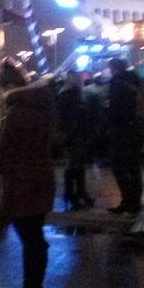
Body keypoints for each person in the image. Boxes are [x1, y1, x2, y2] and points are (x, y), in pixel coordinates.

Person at [0, 60, 55, 288]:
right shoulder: (40, 107)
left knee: (31, 240)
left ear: (8, 86)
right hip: (39, 177)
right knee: (34, 237)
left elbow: (4, 147)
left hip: (22, 182)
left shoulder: (18, 112)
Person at [106, 58, 144, 215]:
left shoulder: (117, 82)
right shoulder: (134, 79)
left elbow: (116, 108)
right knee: (133, 165)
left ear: (114, 68)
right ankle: (135, 201)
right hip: (135, 127)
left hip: (121, 129)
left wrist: (109, 123)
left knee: (119, 166)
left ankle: (128, 201)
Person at [55, 71, 94, 210]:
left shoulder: (74, 93)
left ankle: (78, 192)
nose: (78, 80)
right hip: (72, 134)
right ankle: (72, 193)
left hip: (77, 133)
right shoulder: (68, 94)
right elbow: (64, 117)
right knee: (73, 164)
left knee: (78, 164)